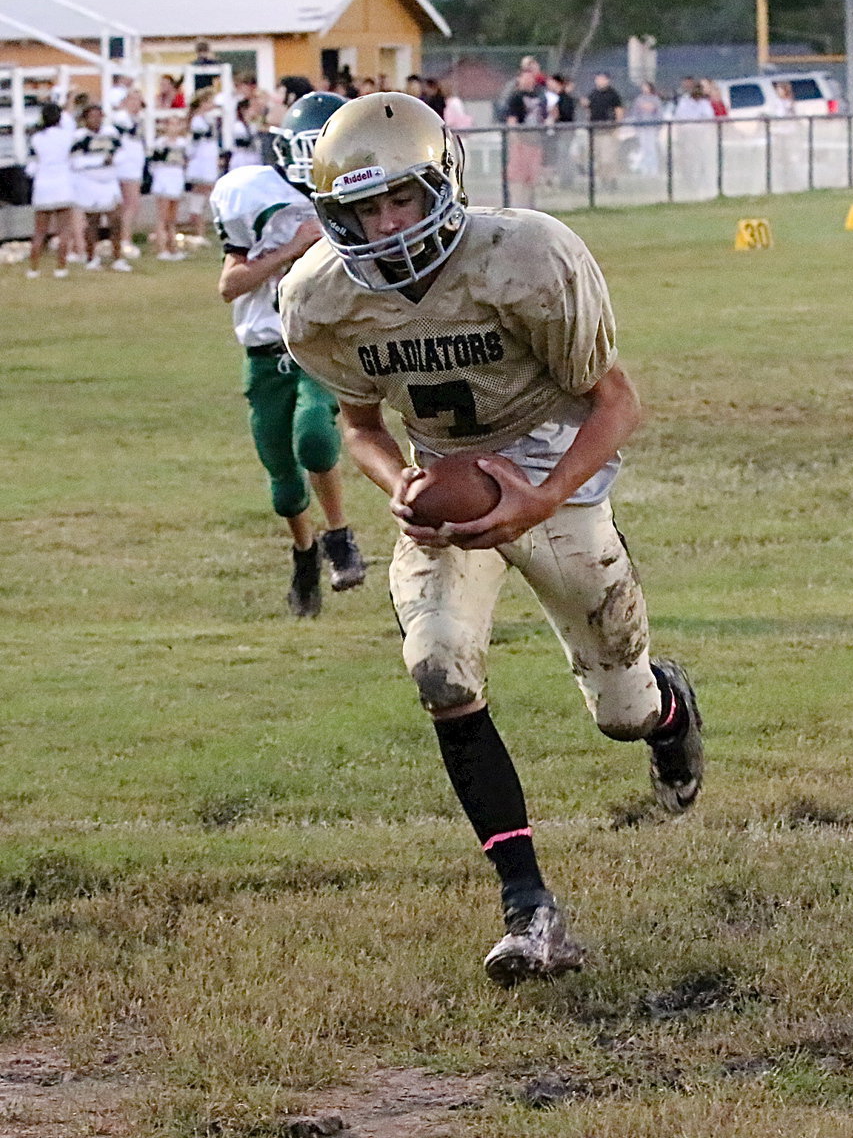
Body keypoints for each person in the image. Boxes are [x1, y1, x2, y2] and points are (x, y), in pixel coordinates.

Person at [280, 93, 704, 985]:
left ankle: (669, 711)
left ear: (442, 183)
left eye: (400, 199)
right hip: (445, 480)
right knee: (438, 670)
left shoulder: (526, 256)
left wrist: (539, 497)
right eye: (362, 209)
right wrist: (403, 486)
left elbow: (615, 401)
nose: (386, 226)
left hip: (557, 474)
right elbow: (358, 423)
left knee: (619, 713)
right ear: (332, 212)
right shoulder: (320, 294)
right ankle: (528, 906)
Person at [210, 92, 366, 616]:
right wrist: (293, 247)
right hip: (264, 349)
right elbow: (231, 285)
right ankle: (305, 552)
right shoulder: (253, 193)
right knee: (282, 485)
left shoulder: (359, 193)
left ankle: (340, 536)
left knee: (316, 440)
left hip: (320, 342)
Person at [70, 103, 131, 272]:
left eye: (99, 116)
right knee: (92, 222)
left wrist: (113, 160)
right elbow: (75, 161)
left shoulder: (111, 133)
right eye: (92, 116)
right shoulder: (80, 137)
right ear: (85, 119)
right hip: (90, 183)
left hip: (109, 182)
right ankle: (91, 257)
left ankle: (117, 257)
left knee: (116, 220)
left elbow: (122, 153)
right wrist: (99, 161)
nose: (96, 120)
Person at [25, 101, 75, 279]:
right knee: (64, 230)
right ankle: (61, 268)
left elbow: (30, 166)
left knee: (39, 231)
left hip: (43, 185)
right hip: (62, 184)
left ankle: (33, 268)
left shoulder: (36, 138)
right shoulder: (66, 136)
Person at [111, 87, 147, 259]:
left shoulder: (136, 119)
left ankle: (123, 238)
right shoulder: (121, 119)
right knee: (130, 203)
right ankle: (124, 239)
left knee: (130, 204)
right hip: (125, 166)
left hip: (133, 165)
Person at [149, 113, 190, 261]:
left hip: (176, 179)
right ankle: (162, 248)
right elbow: (154, 164)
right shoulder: (160, 144)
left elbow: (185, 162)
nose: (174, 127)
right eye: (171, 124)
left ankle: (173, 247)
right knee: (162, 216)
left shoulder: (183, 144)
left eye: (176, 124)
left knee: (172, 217)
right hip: (164, 179)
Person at [505, 67, 548, 208]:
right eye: (525, 77)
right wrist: (515, 139)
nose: (528, 81)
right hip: (521, 139)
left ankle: (531, 205)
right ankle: (518, 205)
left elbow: (545, 115)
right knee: (518, 176)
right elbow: (512, 120)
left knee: (532, 176)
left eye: (531, 78)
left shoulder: (540, 96)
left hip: (535, 140)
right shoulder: (515, 96)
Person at [185, 88, 220, 240]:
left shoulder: (206, 119)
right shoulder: (197, 121)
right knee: (200, 194)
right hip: (200, 162)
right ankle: (198, 231)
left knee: (203, 195)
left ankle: (200, 231)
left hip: (207, 161)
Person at [584, 72, 624, 189]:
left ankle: (612, 180)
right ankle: (603, 180)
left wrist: (617, 127)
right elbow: (589, 111)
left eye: (602, 79)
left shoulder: (613, 94)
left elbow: (619, 111)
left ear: (608, 80)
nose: (600, 81)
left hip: (608, 131)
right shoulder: (593, 94)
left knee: (608, 158)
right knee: (599, 159)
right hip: (595, 131)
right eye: (598, 79)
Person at [629, 81, 662, 176]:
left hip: (652, 128)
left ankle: (653, 170)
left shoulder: (655, 99)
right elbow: (635, 113)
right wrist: (636, 126)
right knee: (644, 149)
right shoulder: (639, 100)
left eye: (646, 87)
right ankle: (645, 170)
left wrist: (658, 126)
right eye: (643, 87)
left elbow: (659, 114)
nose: (644, 89)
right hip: (642, 128)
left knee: (652, 149)